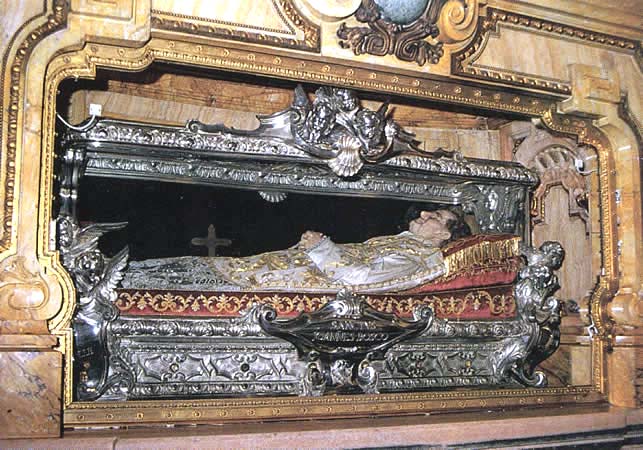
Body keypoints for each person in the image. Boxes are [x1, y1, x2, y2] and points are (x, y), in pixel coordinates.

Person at [122, 208, 471, 294]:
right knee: (178, 268)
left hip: (270, 284)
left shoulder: (422, 258)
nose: (424, 213)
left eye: (436, 216)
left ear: (445, 235)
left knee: (176, 278)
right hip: (267, 269)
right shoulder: (402, 242)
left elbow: (361, 278)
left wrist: (321, 247)